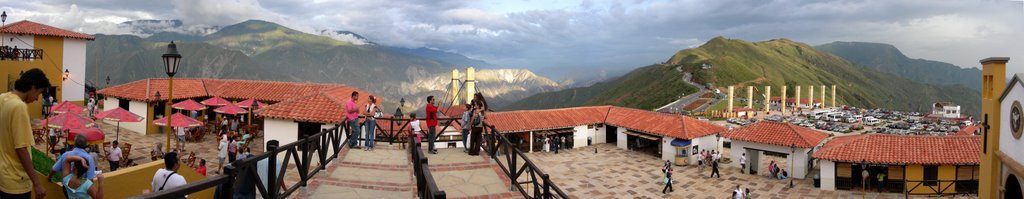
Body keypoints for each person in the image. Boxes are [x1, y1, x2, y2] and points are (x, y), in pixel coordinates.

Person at [0, 68, 51, 199]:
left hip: (3, 177)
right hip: (16, 182)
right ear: (33, 87)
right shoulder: (19, 107)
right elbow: (21, 148)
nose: (37, 98)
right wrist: (37, 183)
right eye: (38, 93)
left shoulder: (3, 98)